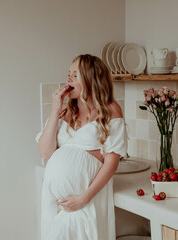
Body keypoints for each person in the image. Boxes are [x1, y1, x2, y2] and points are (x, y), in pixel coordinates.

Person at [35, 54, 128, 240]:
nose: (68, 79)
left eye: (75, 75)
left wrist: (84, 198)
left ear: (92, 79)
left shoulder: (110, 110)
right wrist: (55, 109)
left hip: (85, 202)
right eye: (68, 74)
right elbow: (45, 152)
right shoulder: (64, 110)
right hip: (57, 206)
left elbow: (111, 162)